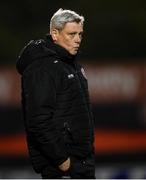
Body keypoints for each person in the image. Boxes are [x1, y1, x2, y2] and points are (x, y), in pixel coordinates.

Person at [16, 8, 95, 179]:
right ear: (55, 34)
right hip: (62, 166)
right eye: (72, 34)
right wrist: (62, 161)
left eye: (80, 34)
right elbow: (38, 121)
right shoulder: (42, 68)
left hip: (82, 161)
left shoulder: (71, 63)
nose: (77, 40)